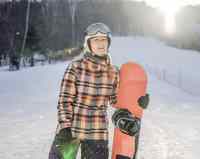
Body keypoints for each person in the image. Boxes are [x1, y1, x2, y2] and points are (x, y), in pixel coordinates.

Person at [48, 22, 149, 159]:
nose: (100, 43)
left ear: (108, 43)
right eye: (96, 40)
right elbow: (65, 100)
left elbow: (116, 100)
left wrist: (136, 102)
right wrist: (65, 126)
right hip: (71, 129)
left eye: (104, 40)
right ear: (88, 44)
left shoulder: (113, 72)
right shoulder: (76, 67)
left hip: (97, 132)